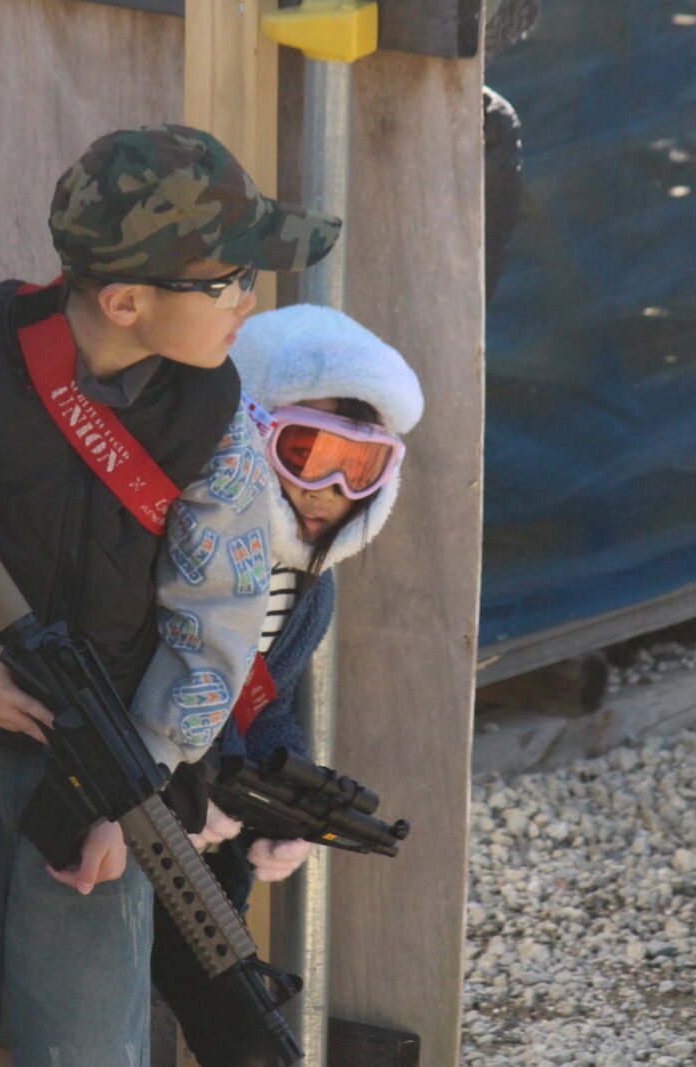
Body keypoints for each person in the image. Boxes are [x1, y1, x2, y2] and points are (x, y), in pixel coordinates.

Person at [0, 126, 340, 1067]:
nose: (250, 299)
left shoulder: (214, 424)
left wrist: (136, 787)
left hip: (101, 781)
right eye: (230, 280)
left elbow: (218, 626)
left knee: (86, 1042)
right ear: (124, 301)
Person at [149, 304, 425, 1066]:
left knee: (227, 1018)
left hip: (206, 851)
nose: (328, 488)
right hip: (126, 809)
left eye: (359, 469)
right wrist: (179, 782)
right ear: (251, 430)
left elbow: (266, 702)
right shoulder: (178, 531)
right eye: (306, 453)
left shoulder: (310, 589)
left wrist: (287, 810)